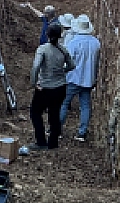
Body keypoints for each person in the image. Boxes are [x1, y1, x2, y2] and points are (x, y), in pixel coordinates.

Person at [28, 24, 75, 150]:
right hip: (60, 87)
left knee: (35, 113)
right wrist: (61, 71)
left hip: (45, 87)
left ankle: (41, 141)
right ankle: (53, 142)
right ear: (60, 36)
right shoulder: (63, 50)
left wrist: (34, 83)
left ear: (47, 35)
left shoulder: (42, 49)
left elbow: (36, 66)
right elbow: (72, 65)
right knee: (54, 114)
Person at [59, 14, 101, 142]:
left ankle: (57, 130)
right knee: (85, 106)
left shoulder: (74, 43)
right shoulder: (96, 43)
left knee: (64, 103)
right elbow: (97, 61)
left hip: (73, 78)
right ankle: (82, 133)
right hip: (88, 80)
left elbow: (67, 62)